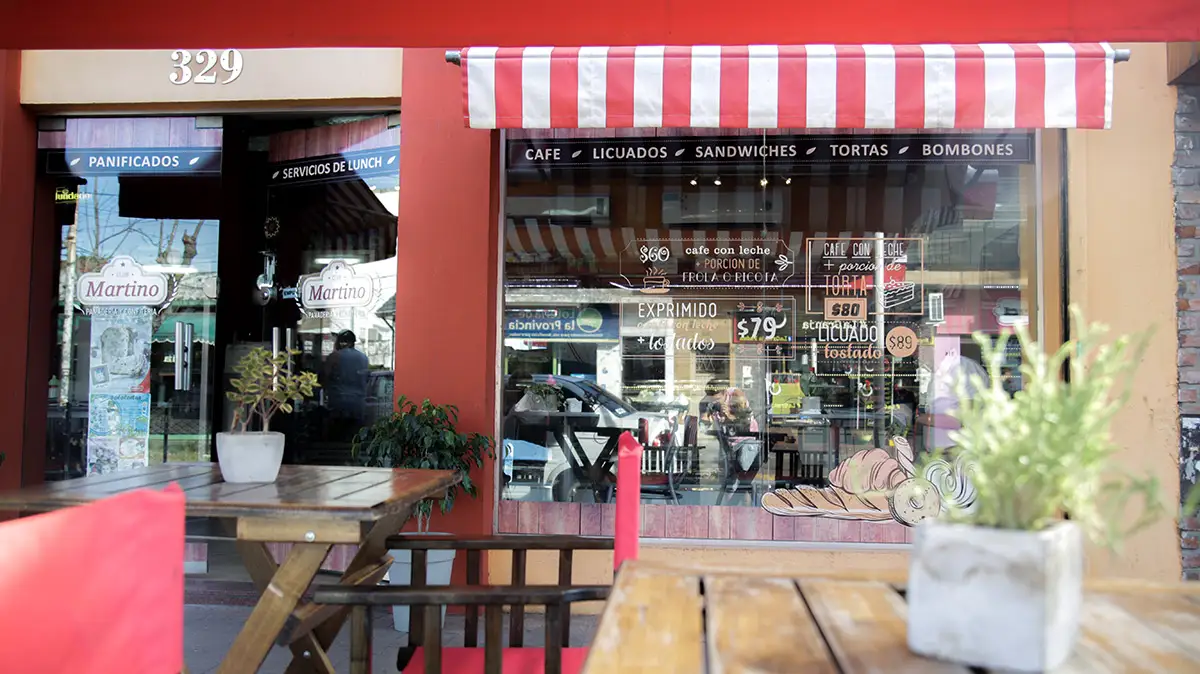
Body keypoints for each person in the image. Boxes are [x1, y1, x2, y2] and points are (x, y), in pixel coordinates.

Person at [322, 330, 370, 439]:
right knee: (354, 437)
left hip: (338, 403)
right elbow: (366, 378)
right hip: (358, 403)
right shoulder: (363, 358)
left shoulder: (334, 357)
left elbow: (325, 377)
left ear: (340, 342)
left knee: (337, 437)